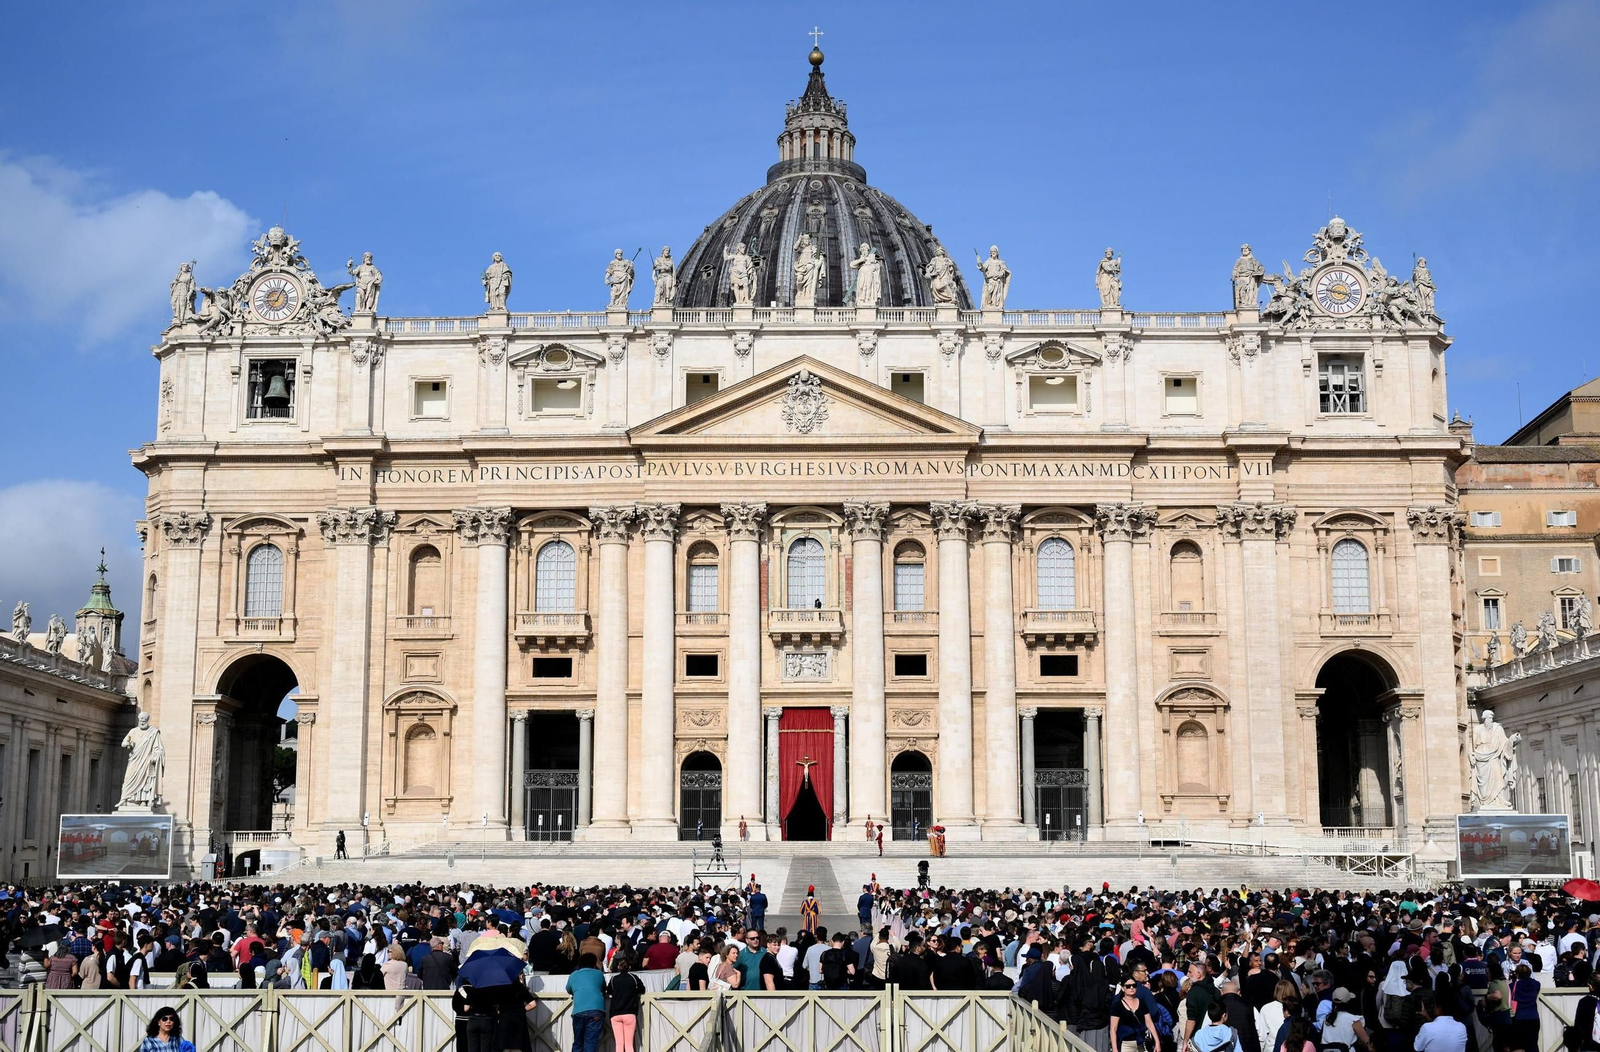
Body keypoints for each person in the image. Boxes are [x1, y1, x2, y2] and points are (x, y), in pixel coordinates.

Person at [567, 953, 607, 1052]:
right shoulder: (599, 974)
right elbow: (603, 988)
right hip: (596, 1009)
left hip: (578, 1010)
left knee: (578, 1043)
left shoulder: (573, 975)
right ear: (594, 963)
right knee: (591, 1043)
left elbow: (568, 989)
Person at [1113, 975, 1162, 1052]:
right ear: (1123, 988)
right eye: (1128, 986)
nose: (1132, 988)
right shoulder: (1117, 1006)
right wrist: (1115, 1048)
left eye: (1134, 985)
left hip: (1141, 1042)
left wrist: (1157, 1042)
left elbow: (1149, 1023)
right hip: (1126, 1044)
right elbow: (1113, 1028)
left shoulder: (1142, 1003)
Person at [608, 954, 644, 1052]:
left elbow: (609, 991)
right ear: (629, 967)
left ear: (619, 967)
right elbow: (642, 989)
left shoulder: (613, 979)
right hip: (629, 1012)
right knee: (629, 1045)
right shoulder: (633, 978)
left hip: (615, 1013)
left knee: (619, 1044)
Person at [1507, 962, 1540, 1052]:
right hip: (1533, 1018)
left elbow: (1509, 988)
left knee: (1519, 1046)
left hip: (1519, 1018)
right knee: (1533, 1045)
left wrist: (1512, 979)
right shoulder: (1536, 984)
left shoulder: (1513, 986)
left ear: (1517, 974)